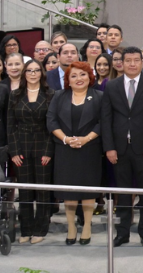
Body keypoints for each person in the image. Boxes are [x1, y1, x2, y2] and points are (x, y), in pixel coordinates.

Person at [100, 47, 143, 248]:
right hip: (119, 149)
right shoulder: (112, 85)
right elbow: (106, 119)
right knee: (123, 194)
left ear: (142, 62)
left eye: (136, 60)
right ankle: (122, 233)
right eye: (128, 60)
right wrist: (109, 147)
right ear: (122, 62)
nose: (132, 64)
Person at [47, 61, 103, 245]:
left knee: (88, 190)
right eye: (74, 76)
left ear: (90, 77)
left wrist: (86, 139)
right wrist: (65, 139)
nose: (79, 78)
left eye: (83, 74)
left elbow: (103, 122)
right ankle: (71, 226)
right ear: (68, 80)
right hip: (65, 150)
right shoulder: (59, 96)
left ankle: (87, 225)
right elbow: (51, 121)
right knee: (68, 191)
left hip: (89, 149)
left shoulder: (99, 96)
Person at [8, 58, 54, 244]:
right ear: (24, 74)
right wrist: (14, 151)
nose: (33, 74)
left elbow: (52, 125)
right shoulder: (14, 95)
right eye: (29, 70)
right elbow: (10, 126)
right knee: (25, 190)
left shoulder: (51, 94)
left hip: (43, 146)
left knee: (43, 191)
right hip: (21, 147)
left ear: (42, 73)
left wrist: (48, 151)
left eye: (36, 70)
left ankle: (40, 229)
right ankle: (26, 229)